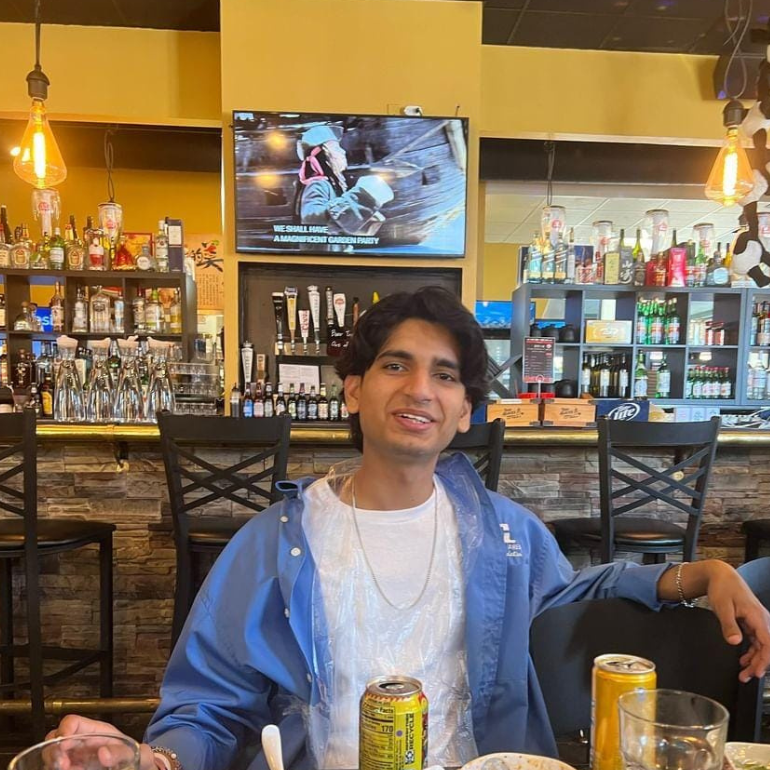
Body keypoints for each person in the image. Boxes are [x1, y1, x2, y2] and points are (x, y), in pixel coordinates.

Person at [52, 287, 770, 770]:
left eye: (446, 375)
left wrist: (696, 574)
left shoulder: (507, 536)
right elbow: (207, 705)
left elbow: (577, 595)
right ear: (355, 390)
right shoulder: (273, 543)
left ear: (464, 412)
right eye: (396, 365)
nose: (420, 388)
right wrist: (152, 757)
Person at [294, 124, 394, 240]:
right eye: (336, 148)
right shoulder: (317, 185)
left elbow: (341, 226)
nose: (343, 152)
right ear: (324, 154)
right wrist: (362, 196)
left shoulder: (333, 186)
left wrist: (367, 216)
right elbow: (313, 221)